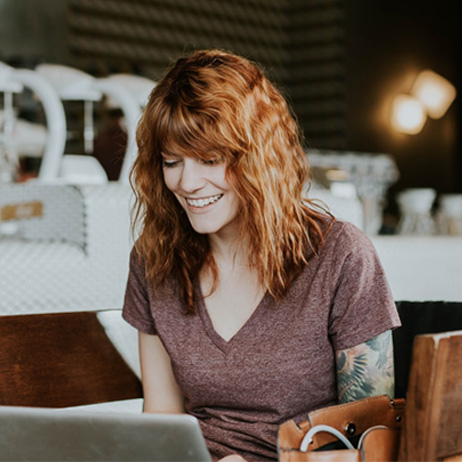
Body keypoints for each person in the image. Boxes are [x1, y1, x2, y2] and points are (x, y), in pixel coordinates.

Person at [122, 49, 401, 462]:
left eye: (211, 159)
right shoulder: (154, 260)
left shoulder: (341, 256)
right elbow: (161, 420)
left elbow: (376, 444)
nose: (187, 182)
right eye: (171, 161)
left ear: (258, 158)